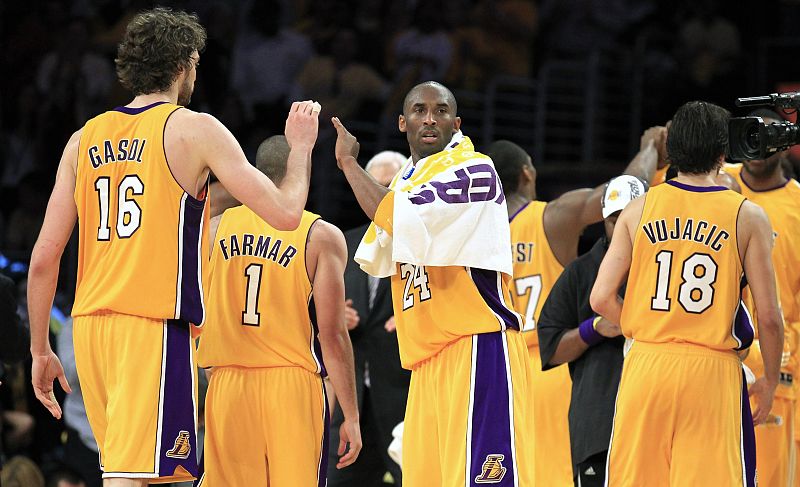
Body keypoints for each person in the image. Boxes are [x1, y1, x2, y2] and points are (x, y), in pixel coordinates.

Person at [27, 7, 320, 486]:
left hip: (89, 331)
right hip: (151, 327)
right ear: (184, 63)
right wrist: (301, 150)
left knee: (154, 474)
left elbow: (43, 259)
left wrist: (40, 349)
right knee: (127, 478)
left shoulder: (83, 140)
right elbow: (287, 214)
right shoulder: (193, 128)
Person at [332, 81, 534, 486]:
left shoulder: (473, 169)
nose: (430, 118)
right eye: (420, 110)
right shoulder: (410, 181)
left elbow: (393, 216)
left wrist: (350, 166)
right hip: (426, 359)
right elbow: (376, 253)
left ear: (455, 122)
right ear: (402, 122)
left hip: (475, 346)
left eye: (440, 111)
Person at [590, 100, 783, 485]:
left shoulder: (638, 208)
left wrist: (644, 327)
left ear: (672, 150)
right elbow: (769, 317)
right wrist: (769, 379)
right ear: (723, 151)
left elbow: (600, 299)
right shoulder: (747, 214)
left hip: (646, 365)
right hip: (711, 371)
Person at [489, 127, 664, 485]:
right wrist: (649, 147)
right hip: (550, 370)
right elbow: (622, 193)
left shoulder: (471, 237)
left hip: (496, 376)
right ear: (527, 174)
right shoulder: (551, 217)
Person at [196, 135, 361, 486]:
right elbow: (332, 334)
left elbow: (194, 312)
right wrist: (351, 414)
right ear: (303, 171)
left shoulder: (210, 231)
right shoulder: (322, 236)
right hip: (291, 385)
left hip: (227, 383)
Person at [537, 175, 646, 486]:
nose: (624, 226)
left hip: (655, 416)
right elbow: (552, 346)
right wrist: (594, 329)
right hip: (598, 421)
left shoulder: (668, 265)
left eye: (633, 216)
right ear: (603, 219)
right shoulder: (581, 271)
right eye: (615, 219)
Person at [722, 108, 800, 487]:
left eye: (769, 134)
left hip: (775, 365)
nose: (759, 142)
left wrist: (783, 355)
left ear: (786, 143)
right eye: (752, 132)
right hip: (710, 353)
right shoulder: (715, 181)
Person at [328, 150, 409, 486]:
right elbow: (312, 309)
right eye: (373, 185)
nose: (378, 194)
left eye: (388, 186)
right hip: (352, 404)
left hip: (404, 397)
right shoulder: (344, 242)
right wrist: (332, 318)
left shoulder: (423, 244)